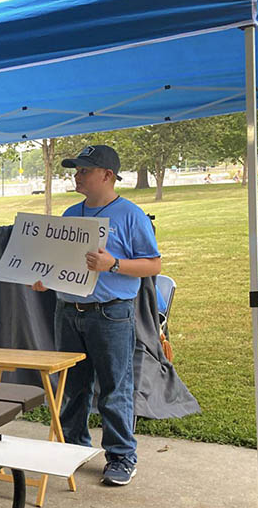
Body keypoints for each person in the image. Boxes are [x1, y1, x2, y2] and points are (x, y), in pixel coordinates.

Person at [33, 144, 162, 486]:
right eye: (75, 170)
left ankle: (121, 456)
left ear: (107, 175)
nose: (77, 176)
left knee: (114, 387)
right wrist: (46, 278)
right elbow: (62, 262)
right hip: (68, 311)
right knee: (73, 386)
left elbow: (153, 264)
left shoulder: (130, 215)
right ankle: (74, 449)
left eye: (84, 170)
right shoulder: (71, 215)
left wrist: (113, 264)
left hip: (111, 314)